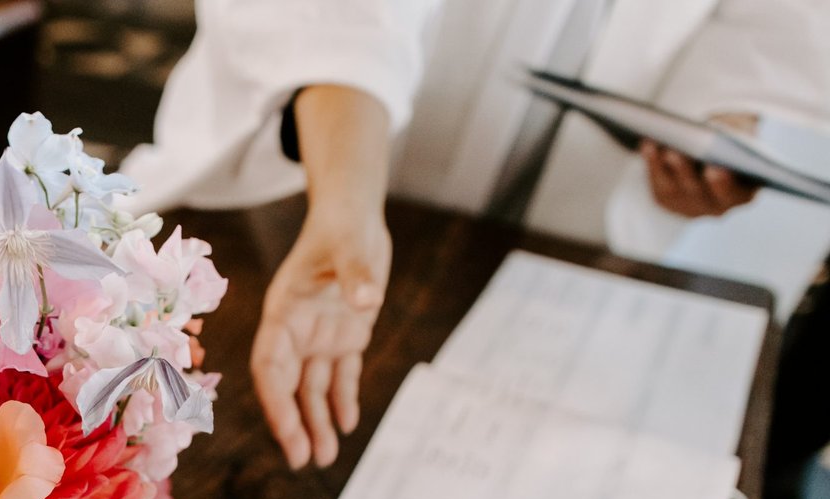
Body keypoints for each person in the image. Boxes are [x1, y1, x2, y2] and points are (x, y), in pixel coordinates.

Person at [122, 0, 830, 469]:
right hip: (306, 185)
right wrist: (347, 203)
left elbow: (759, 23)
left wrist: (719, 122)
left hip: (569, 227)